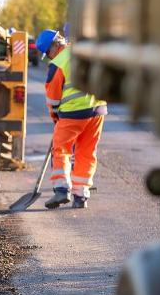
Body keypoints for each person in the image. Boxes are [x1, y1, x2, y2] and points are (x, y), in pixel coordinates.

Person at [35, 30, 107, 209]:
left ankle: (61, 190)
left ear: (54, 46)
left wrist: (55, 115)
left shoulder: (58, 63)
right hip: (97, 110)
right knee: (87, 152)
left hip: (73, 114)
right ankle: (80, 196)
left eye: (48, 53)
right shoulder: (84, 51)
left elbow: (52, 97)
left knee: (61, 149)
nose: (49, 56)